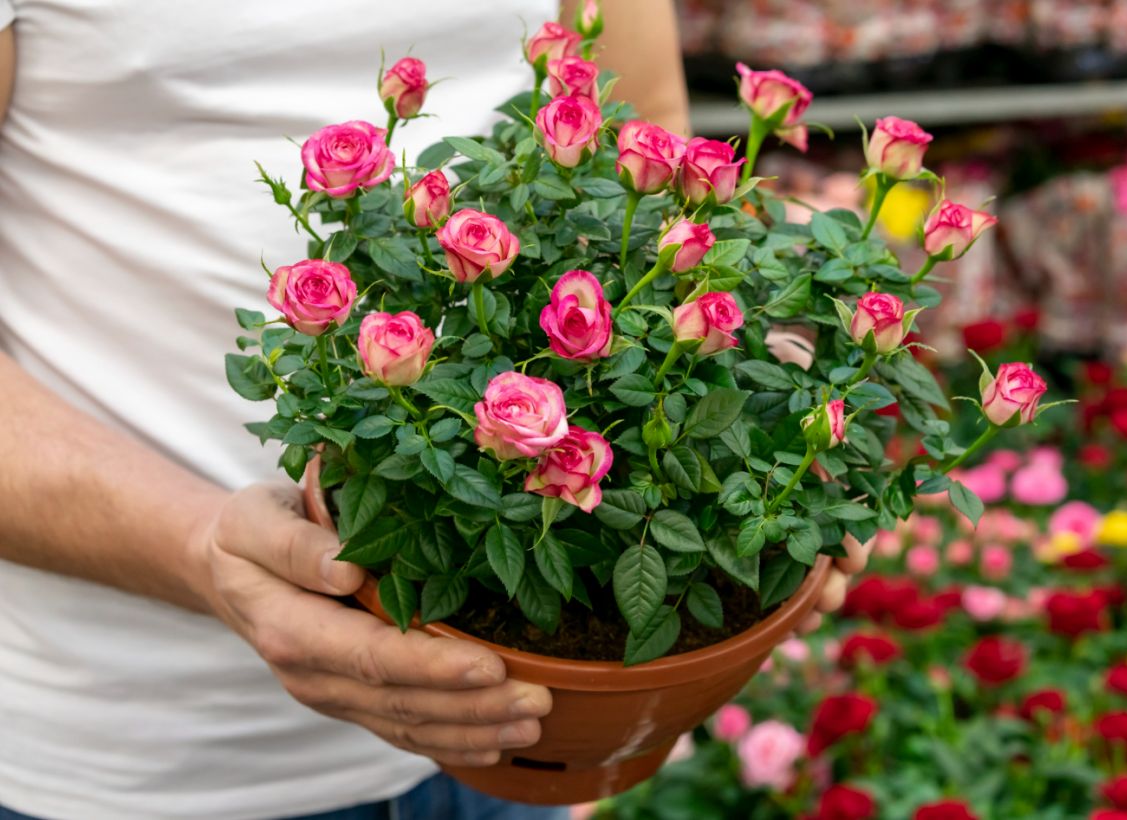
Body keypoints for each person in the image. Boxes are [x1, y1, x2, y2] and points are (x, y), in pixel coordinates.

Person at [0, 1, 867, 818]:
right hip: (130, 758)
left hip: (519, 736)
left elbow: (647, 130)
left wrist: (753, 374)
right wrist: (199, 552)